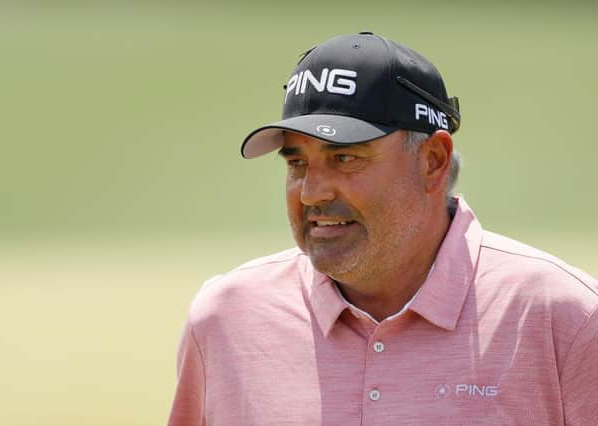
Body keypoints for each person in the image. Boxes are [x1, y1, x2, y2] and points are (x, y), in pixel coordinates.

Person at [168, 32, 598, 425]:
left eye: (344, 158)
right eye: (297, 163)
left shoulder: (566, 320)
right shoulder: (224, 319)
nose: (311, 193)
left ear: (432, 161)